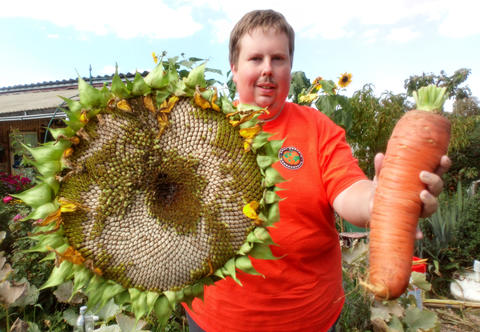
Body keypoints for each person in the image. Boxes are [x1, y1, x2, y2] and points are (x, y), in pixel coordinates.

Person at [183, 9, 451, 332]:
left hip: (308, 318)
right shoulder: (198, 128)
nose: (268, 69)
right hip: (214, 319)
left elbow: (349, 190)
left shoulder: (316, 128)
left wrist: (381, 200)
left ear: (289, 66)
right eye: (255, 58)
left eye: (278, 58)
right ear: (234, 68)